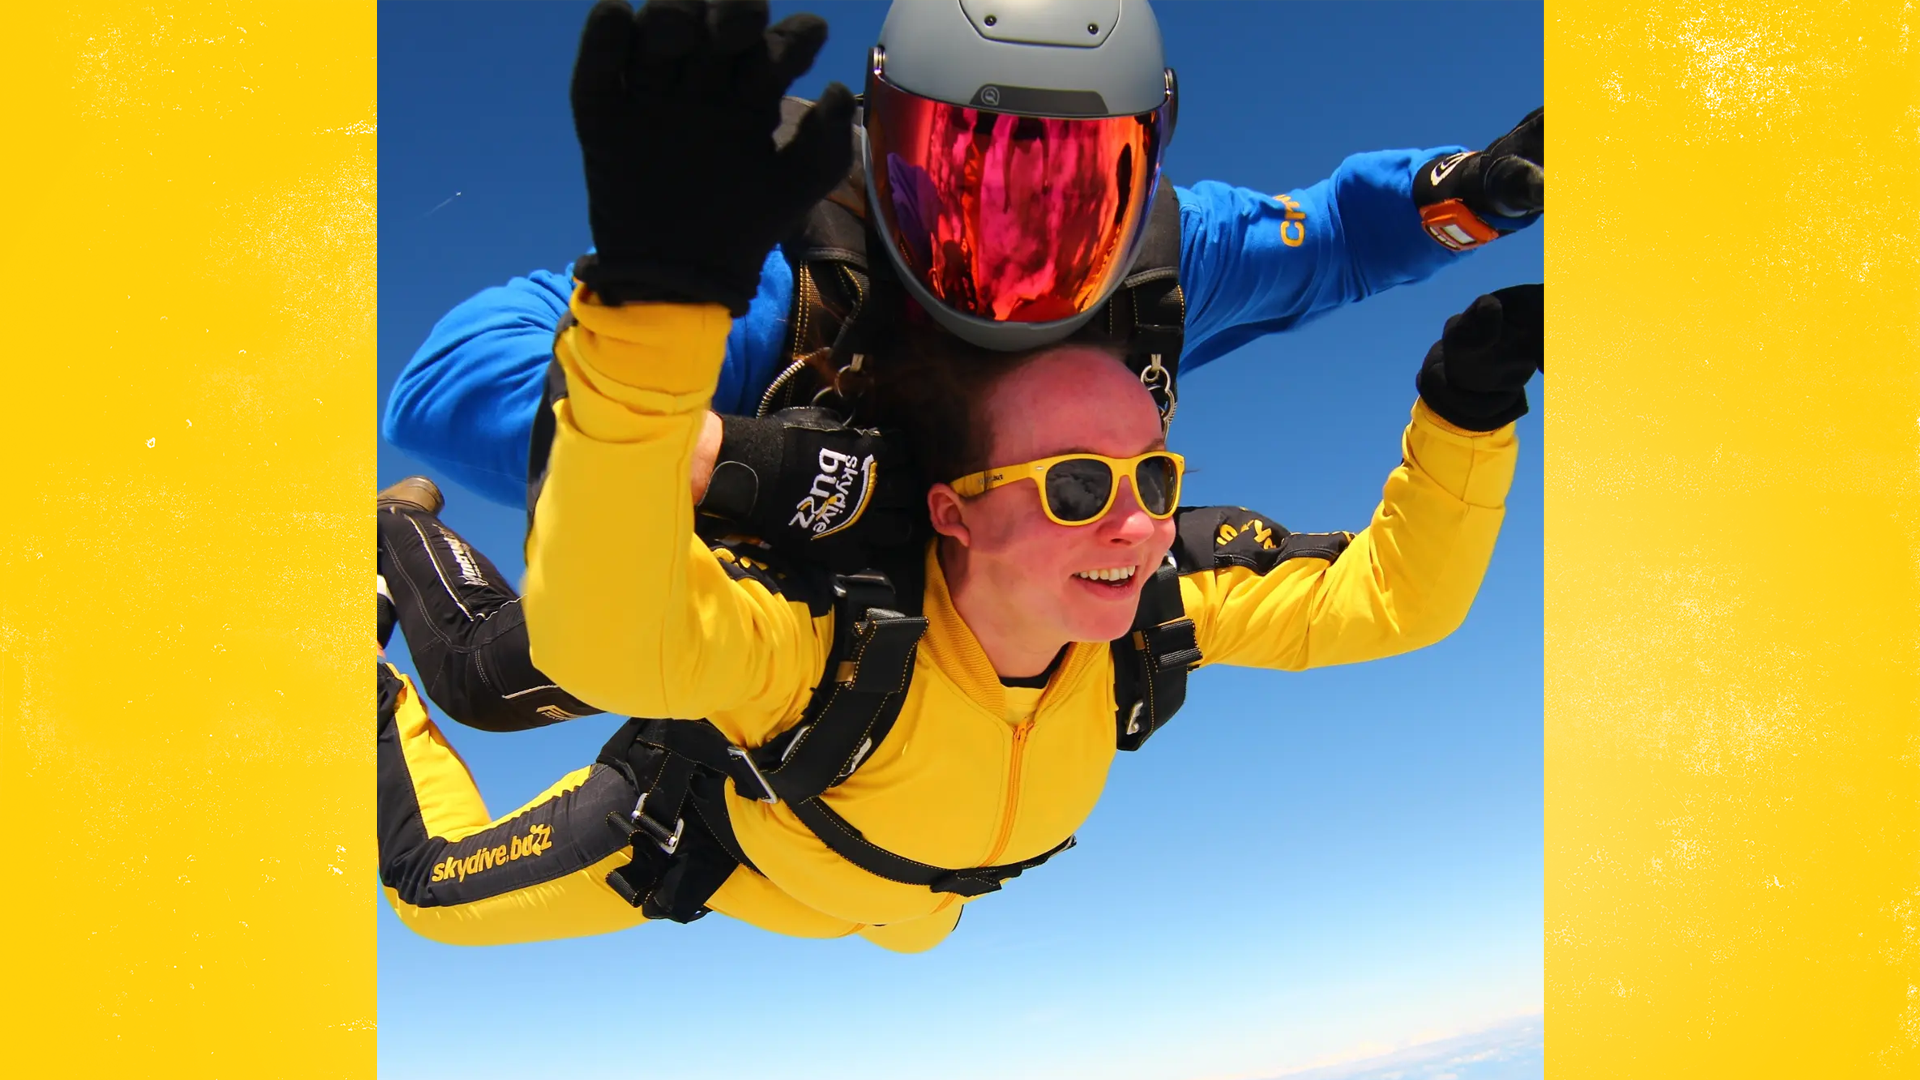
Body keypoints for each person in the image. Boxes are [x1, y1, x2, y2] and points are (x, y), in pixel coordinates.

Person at [374, 0, 1543, 950]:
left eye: (1075, 191)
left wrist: (1472, 196)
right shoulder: (797, 289)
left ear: (1144, 169)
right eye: (958, 183)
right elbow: (448, 380)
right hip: (761, 657)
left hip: (906, 829)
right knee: (496, 681)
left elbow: (1335, 237)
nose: (1013, 252)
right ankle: (386, 567)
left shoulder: (1152, 271)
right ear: (884, 154)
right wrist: (682, 377)